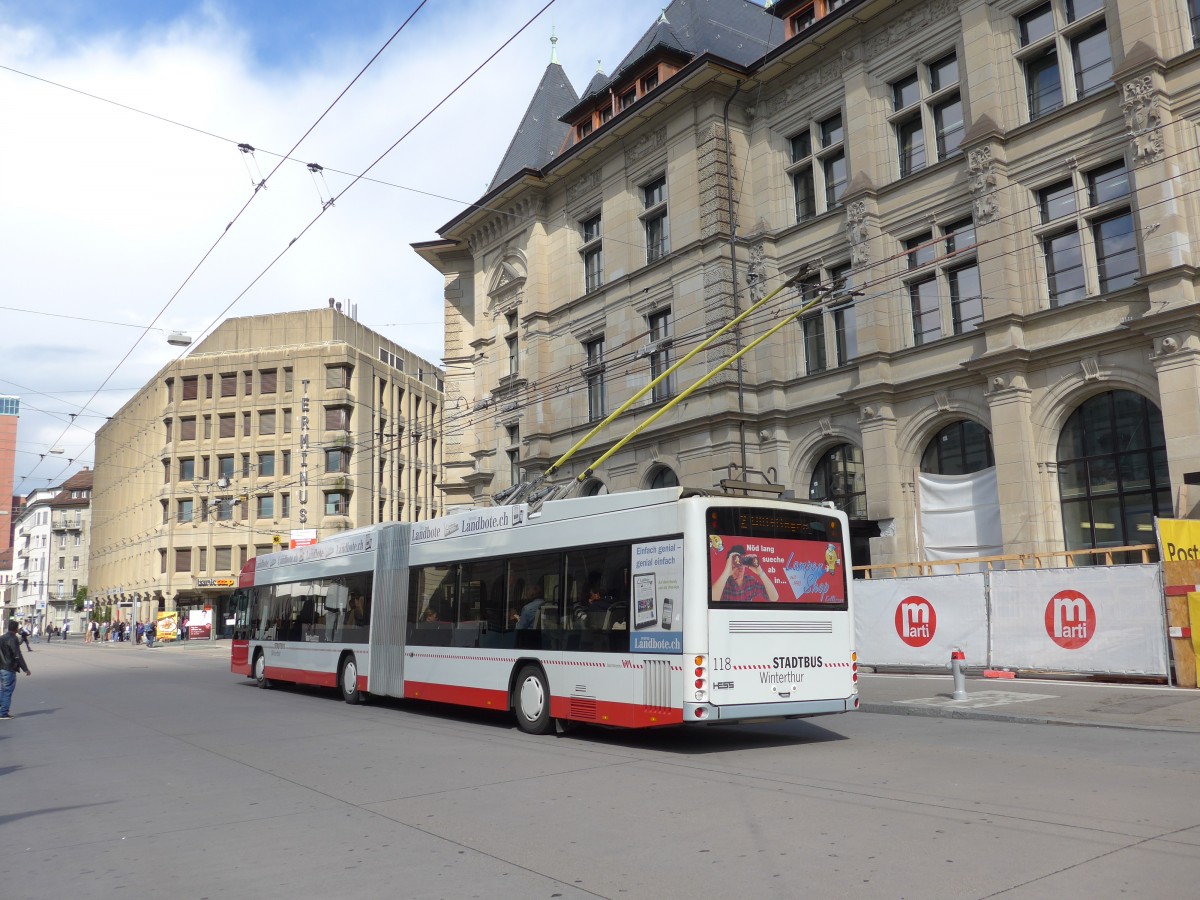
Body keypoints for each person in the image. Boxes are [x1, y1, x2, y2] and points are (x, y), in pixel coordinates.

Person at [711, 545, 780, 603]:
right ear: (730, 563)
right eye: (737, 561)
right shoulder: (724, 583)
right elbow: (712, 600)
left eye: (742, 561)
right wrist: (726, 572)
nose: (740, 566)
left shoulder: (750, 582)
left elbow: (774, 598)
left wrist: (760, 572)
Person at [1, 620, 32, 720]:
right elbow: (17, 655)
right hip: (9, 668)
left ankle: (2, 709)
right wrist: (25, 669)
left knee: (3, 689)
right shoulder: (13, 638)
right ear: (15, 629)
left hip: (1, 667)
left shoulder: (2, 638)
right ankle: (3, 713)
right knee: (7, 690)